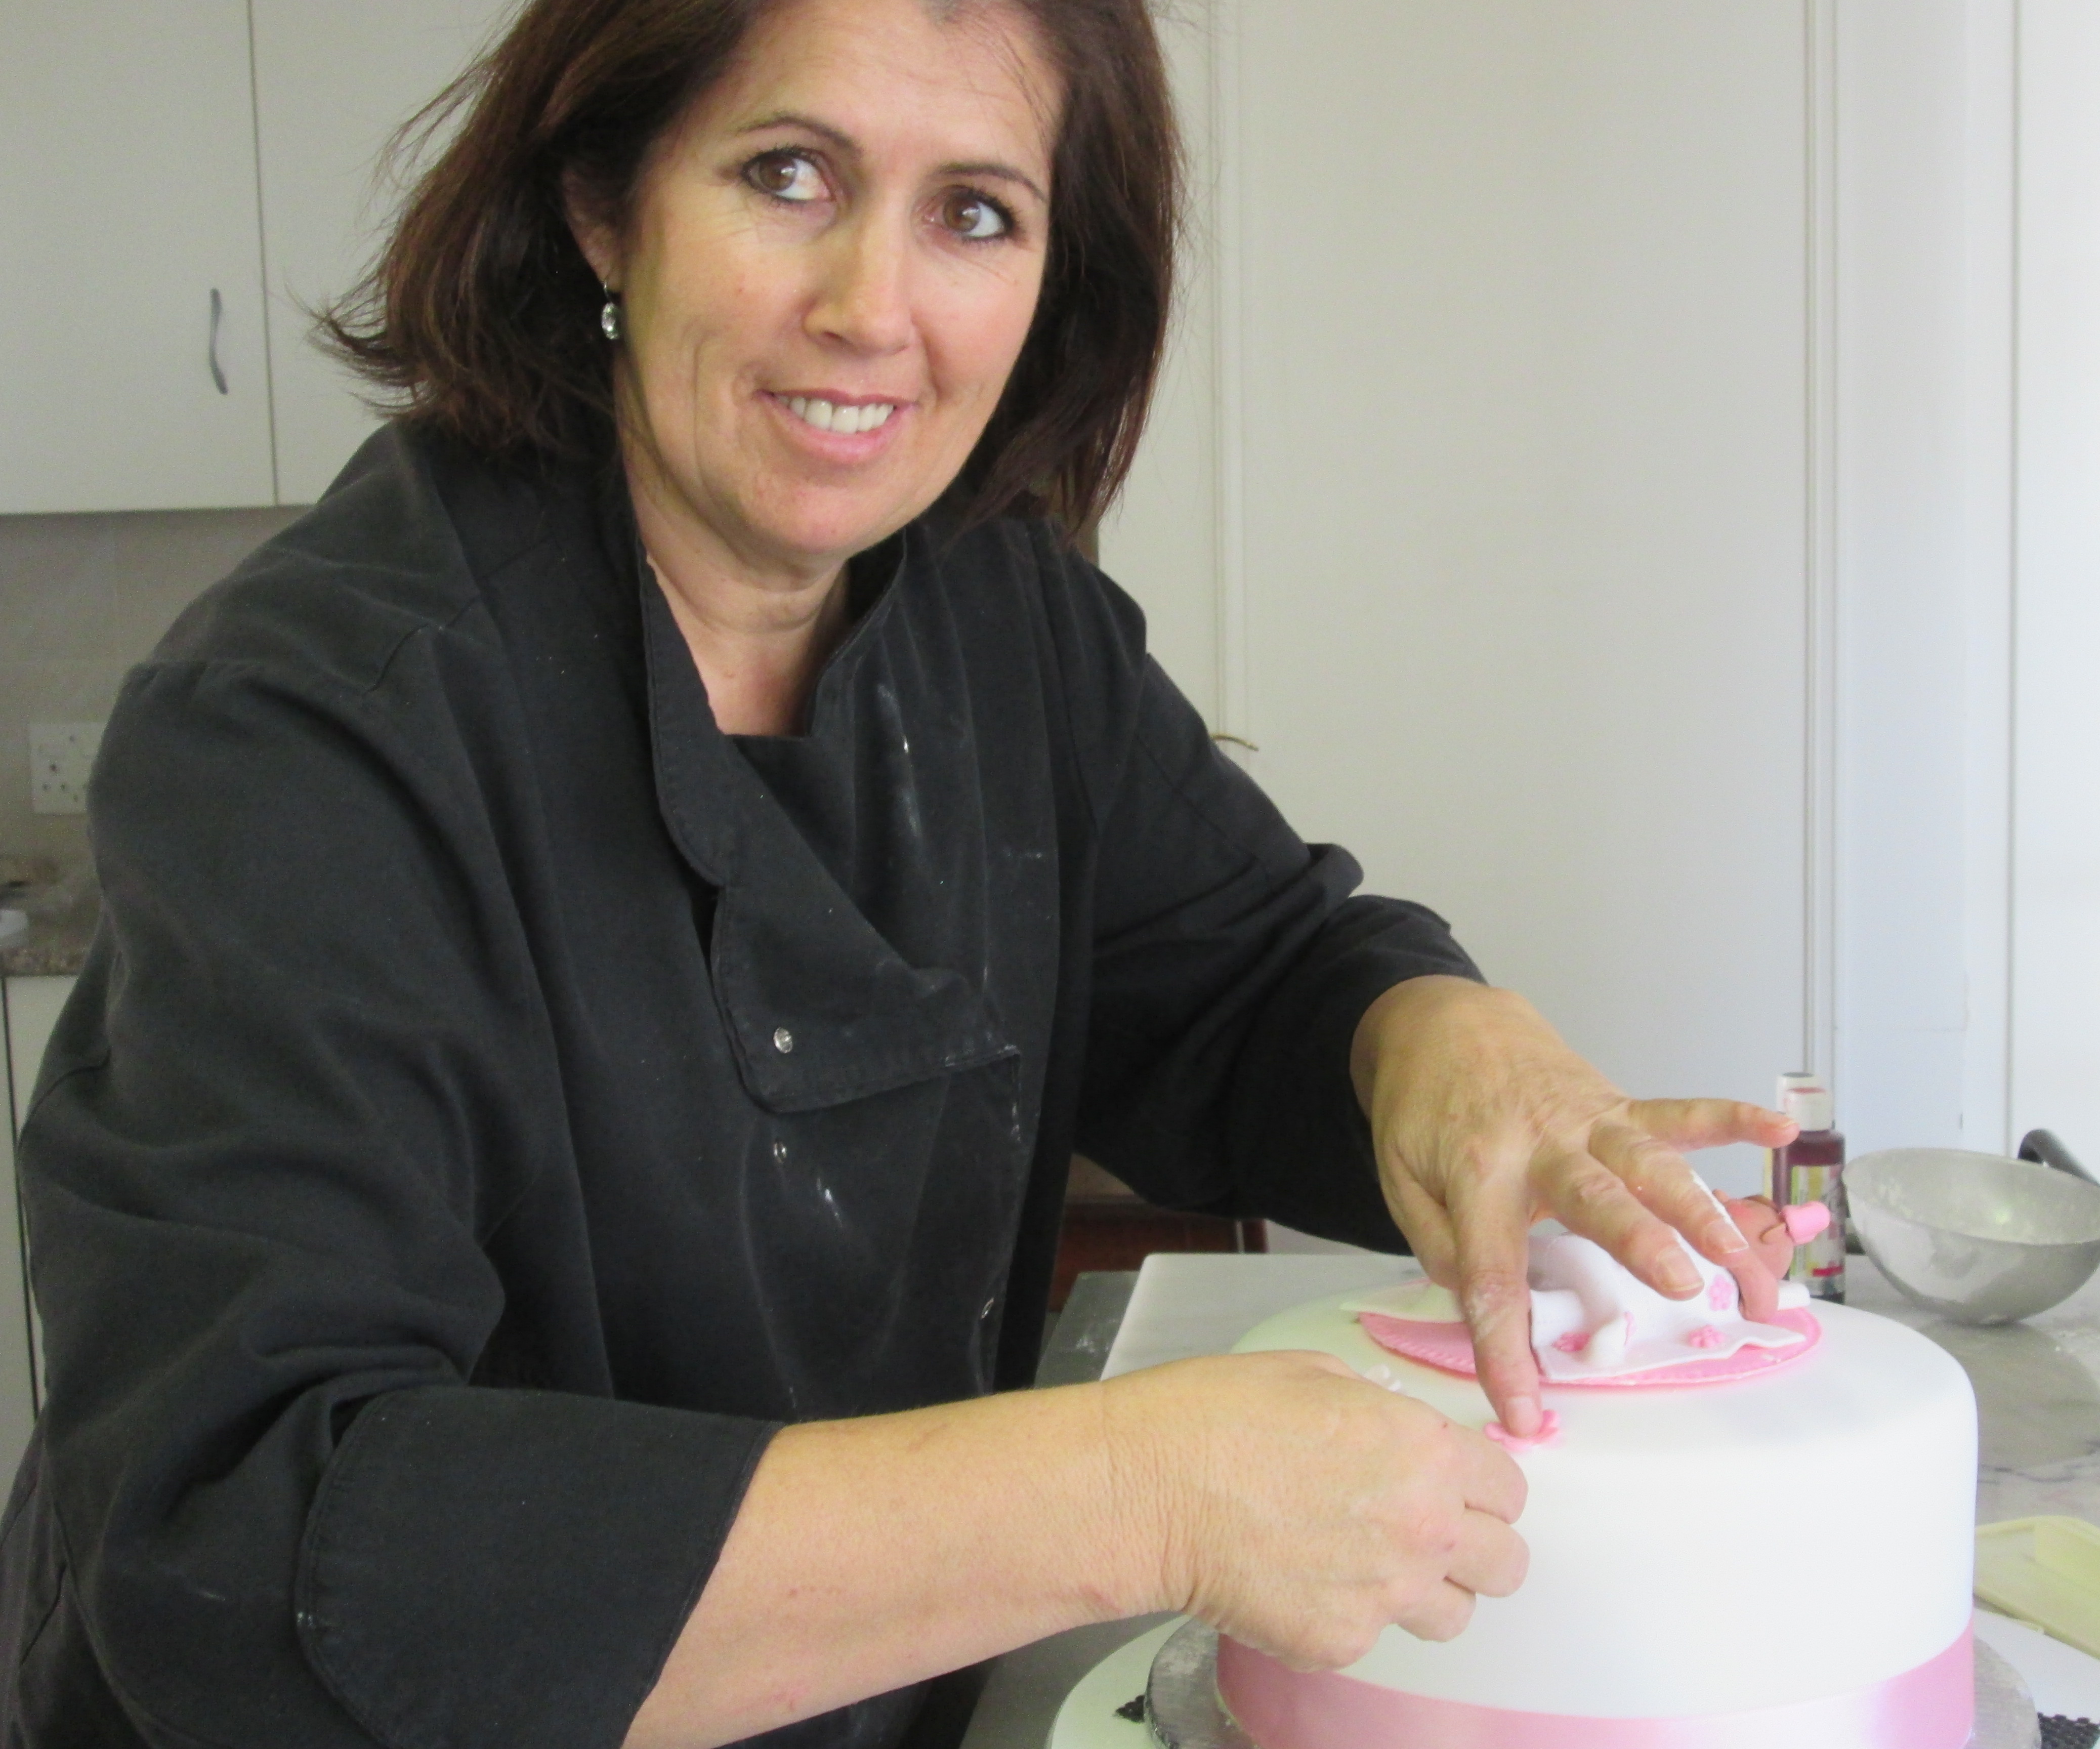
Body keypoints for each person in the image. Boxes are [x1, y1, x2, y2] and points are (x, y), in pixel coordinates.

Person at [0, 2, 1799, 1745]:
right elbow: (257, 1548)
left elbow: (1250, 982)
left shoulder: (1003, 621)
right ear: (604, 201)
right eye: (787, 174)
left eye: (975, 213)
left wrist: (1439, 1033)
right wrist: (1130, 1494)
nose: (873, 308)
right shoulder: (308, 734)